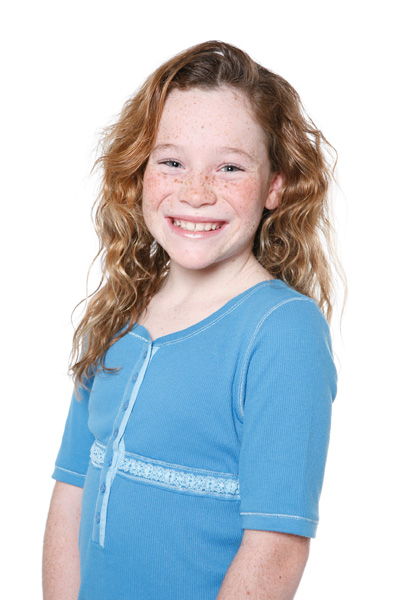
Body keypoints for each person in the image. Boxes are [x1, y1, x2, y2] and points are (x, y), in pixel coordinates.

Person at [42, 40, 342, 600]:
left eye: (229, 167)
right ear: (139, 172)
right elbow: (72, 490)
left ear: (275, 185)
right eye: (172, 162)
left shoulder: (283, 331)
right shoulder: (118, 311)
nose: (196, 192)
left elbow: (275, 547)